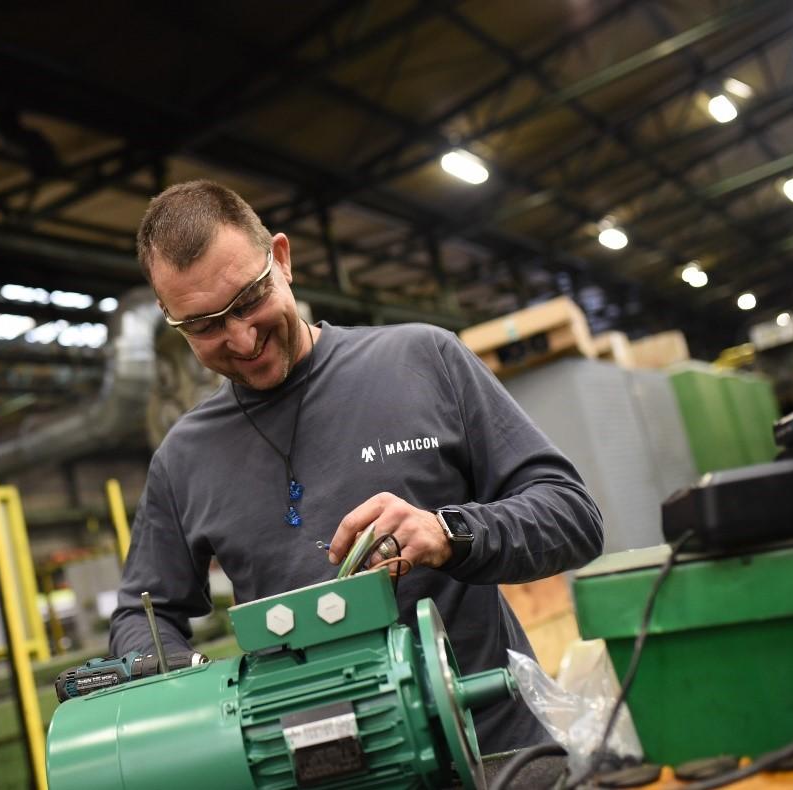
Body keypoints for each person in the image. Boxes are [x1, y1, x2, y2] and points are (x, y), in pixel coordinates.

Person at [109, 179, 604, 753]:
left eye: (248, 301)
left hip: (499, 756)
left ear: (281, 259)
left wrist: (449, 532)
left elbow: (573, 516)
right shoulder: (184, 458)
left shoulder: (424, 361)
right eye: (205, 326)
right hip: (327, 766)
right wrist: (193, 683)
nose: (241, 339)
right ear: (172, 319)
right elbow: (140, 617)